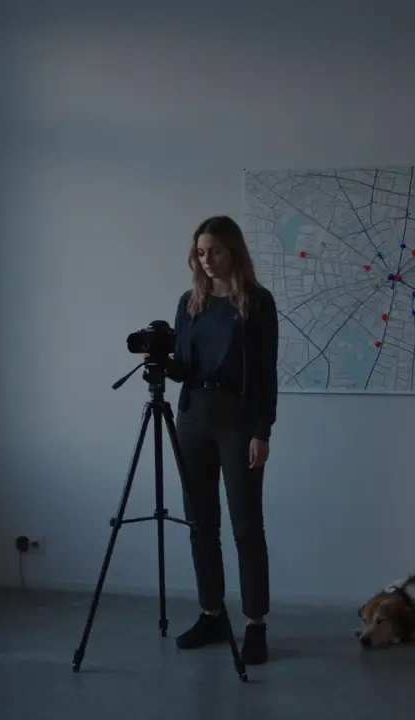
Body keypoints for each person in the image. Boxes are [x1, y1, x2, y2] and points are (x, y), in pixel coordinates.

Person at [164, 214, 279, 665]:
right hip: (193, 416)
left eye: (214, 250)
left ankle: (255, 623)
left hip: (238, 419)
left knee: (246, 525)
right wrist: (161, 360)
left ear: (233, 251)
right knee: (200, 522)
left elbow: (266, 372)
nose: (206, 259)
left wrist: (262, 431)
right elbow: (184, 365)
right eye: (200, 252)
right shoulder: (189, 302)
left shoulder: (257, 302)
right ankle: (211, 614)